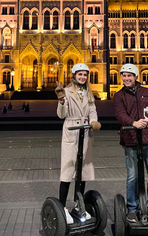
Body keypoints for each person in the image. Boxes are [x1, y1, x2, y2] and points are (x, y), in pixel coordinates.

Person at [113, 63, 148, 223]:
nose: (126, 78)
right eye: (124, 76)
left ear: (136, 77)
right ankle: (131, 207)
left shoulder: (147, 92)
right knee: (132, 177)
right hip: (130, 137)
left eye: (129, 76)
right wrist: (133, 122)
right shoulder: (119, 95)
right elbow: (120, 114)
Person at [55, 63, 102, 224]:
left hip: (85, 131)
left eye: (85, 75)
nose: (82, 77)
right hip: (71, 130)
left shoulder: (88, 92)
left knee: (83, 170)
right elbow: (61, 115)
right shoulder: (66, 92)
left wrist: (94, 121)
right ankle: (62, 207)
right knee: (68, 169)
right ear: (74, 75)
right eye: (80, 74)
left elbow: (93, 110)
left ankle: (78, 205)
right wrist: (61, 102)